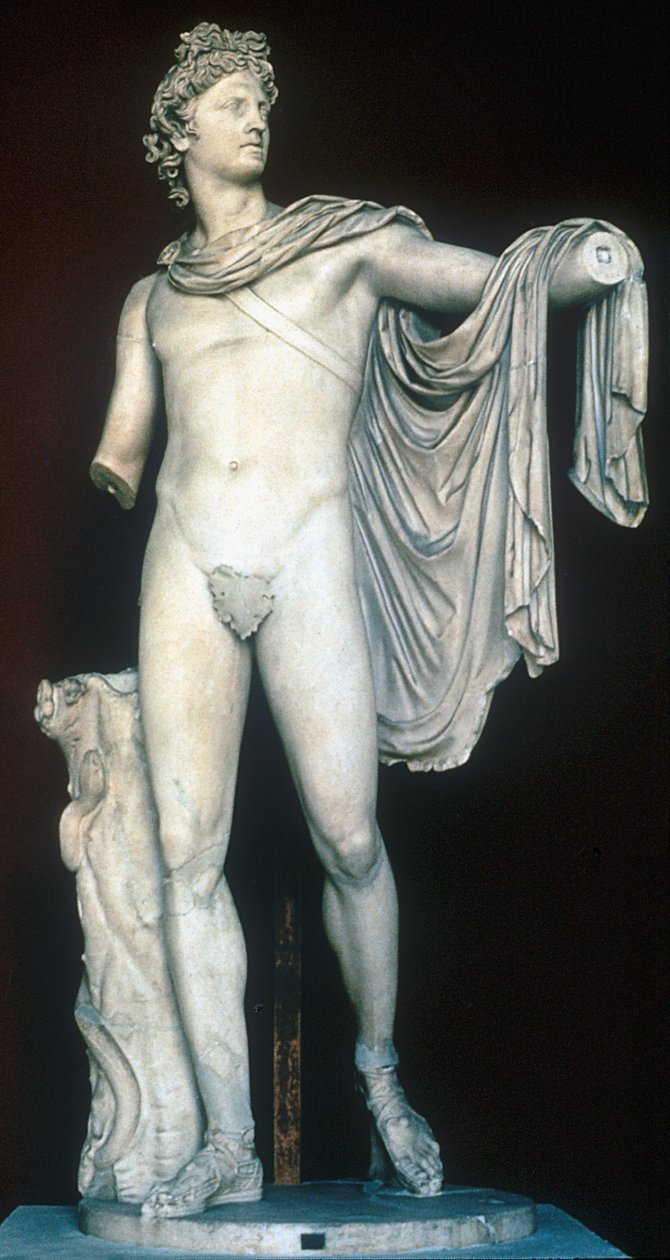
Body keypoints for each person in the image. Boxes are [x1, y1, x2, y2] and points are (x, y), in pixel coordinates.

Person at [91, 24, 641, 1219]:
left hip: (307, 552)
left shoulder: (343, 247)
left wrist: (577, 263)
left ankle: (383, 1083)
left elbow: (487, 284)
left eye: (261, 100)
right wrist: (114, 466)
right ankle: (228, 1141)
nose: (256, 116)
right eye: (229, 101)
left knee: (348, 838)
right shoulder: (152, 298)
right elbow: (121, 454)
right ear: (178, 131)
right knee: (188, 858)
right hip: (185, 561)